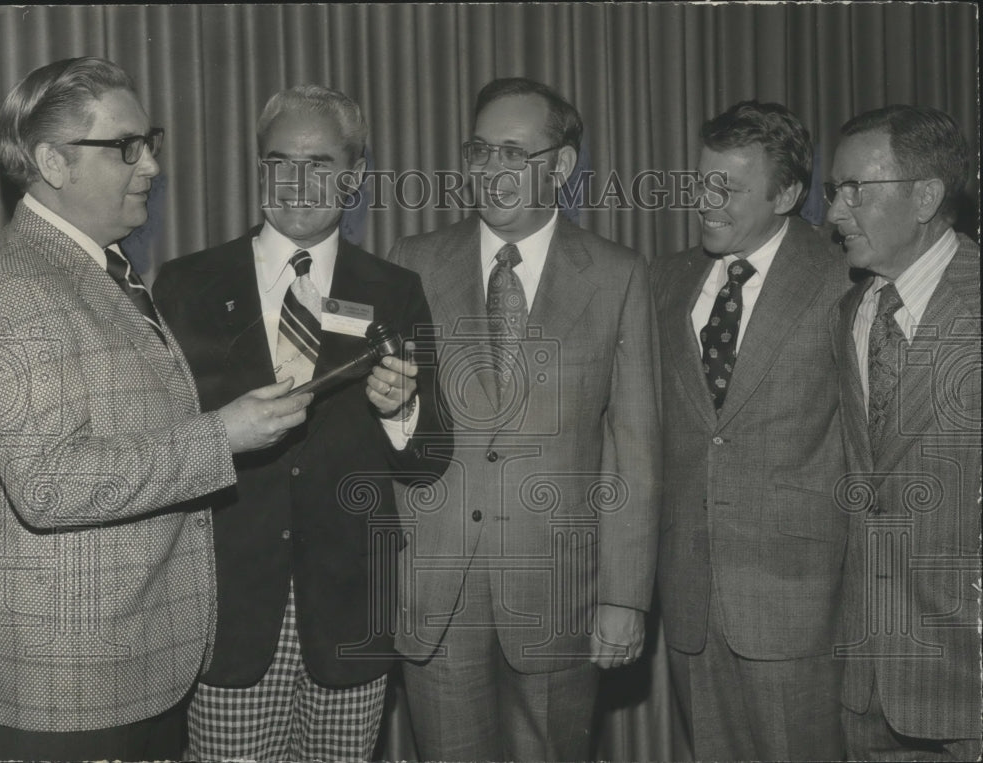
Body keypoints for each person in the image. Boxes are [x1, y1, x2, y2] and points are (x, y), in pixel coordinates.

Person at [0, 56, 311, 761]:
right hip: (72, 682)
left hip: (132, 665)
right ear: (52, 162)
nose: (152, 165)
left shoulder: (103, 267)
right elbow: (47, 482)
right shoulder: (18, 289)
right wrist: (222, 435)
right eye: (126, 146)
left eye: (151, 140)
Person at [153, 84, 451, 763]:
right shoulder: (186, 283)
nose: (297, 182)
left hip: (350, 612)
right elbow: (163, 446)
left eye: (320, 163)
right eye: (279, 161)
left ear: (355, 176)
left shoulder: (394, 291)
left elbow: (430, 455)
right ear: (260, 167)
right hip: (225, 611)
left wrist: (400, 408)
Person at [385, 76, 661, 761]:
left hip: (560, 597)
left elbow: (634, 448)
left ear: (561, 165)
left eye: (513, 152)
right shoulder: (411, 263)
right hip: (438, 593)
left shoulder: (618, 275)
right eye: (480, 150)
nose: (490, 169)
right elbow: (393, 426)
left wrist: (625, 596)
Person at [649, 100, 854, 761]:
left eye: (729, 188)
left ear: (788, 193)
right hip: (689, 600)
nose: (707, 201)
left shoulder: (845, 277)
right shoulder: (663, 281)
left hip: (804, 604)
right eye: (703, 181)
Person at [826, 105, 981, 762]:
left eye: (855, 189)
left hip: (966, 684)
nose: (834, 211)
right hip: (867, 680)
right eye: (833, 191)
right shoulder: (851, 312)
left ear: (925, 196)